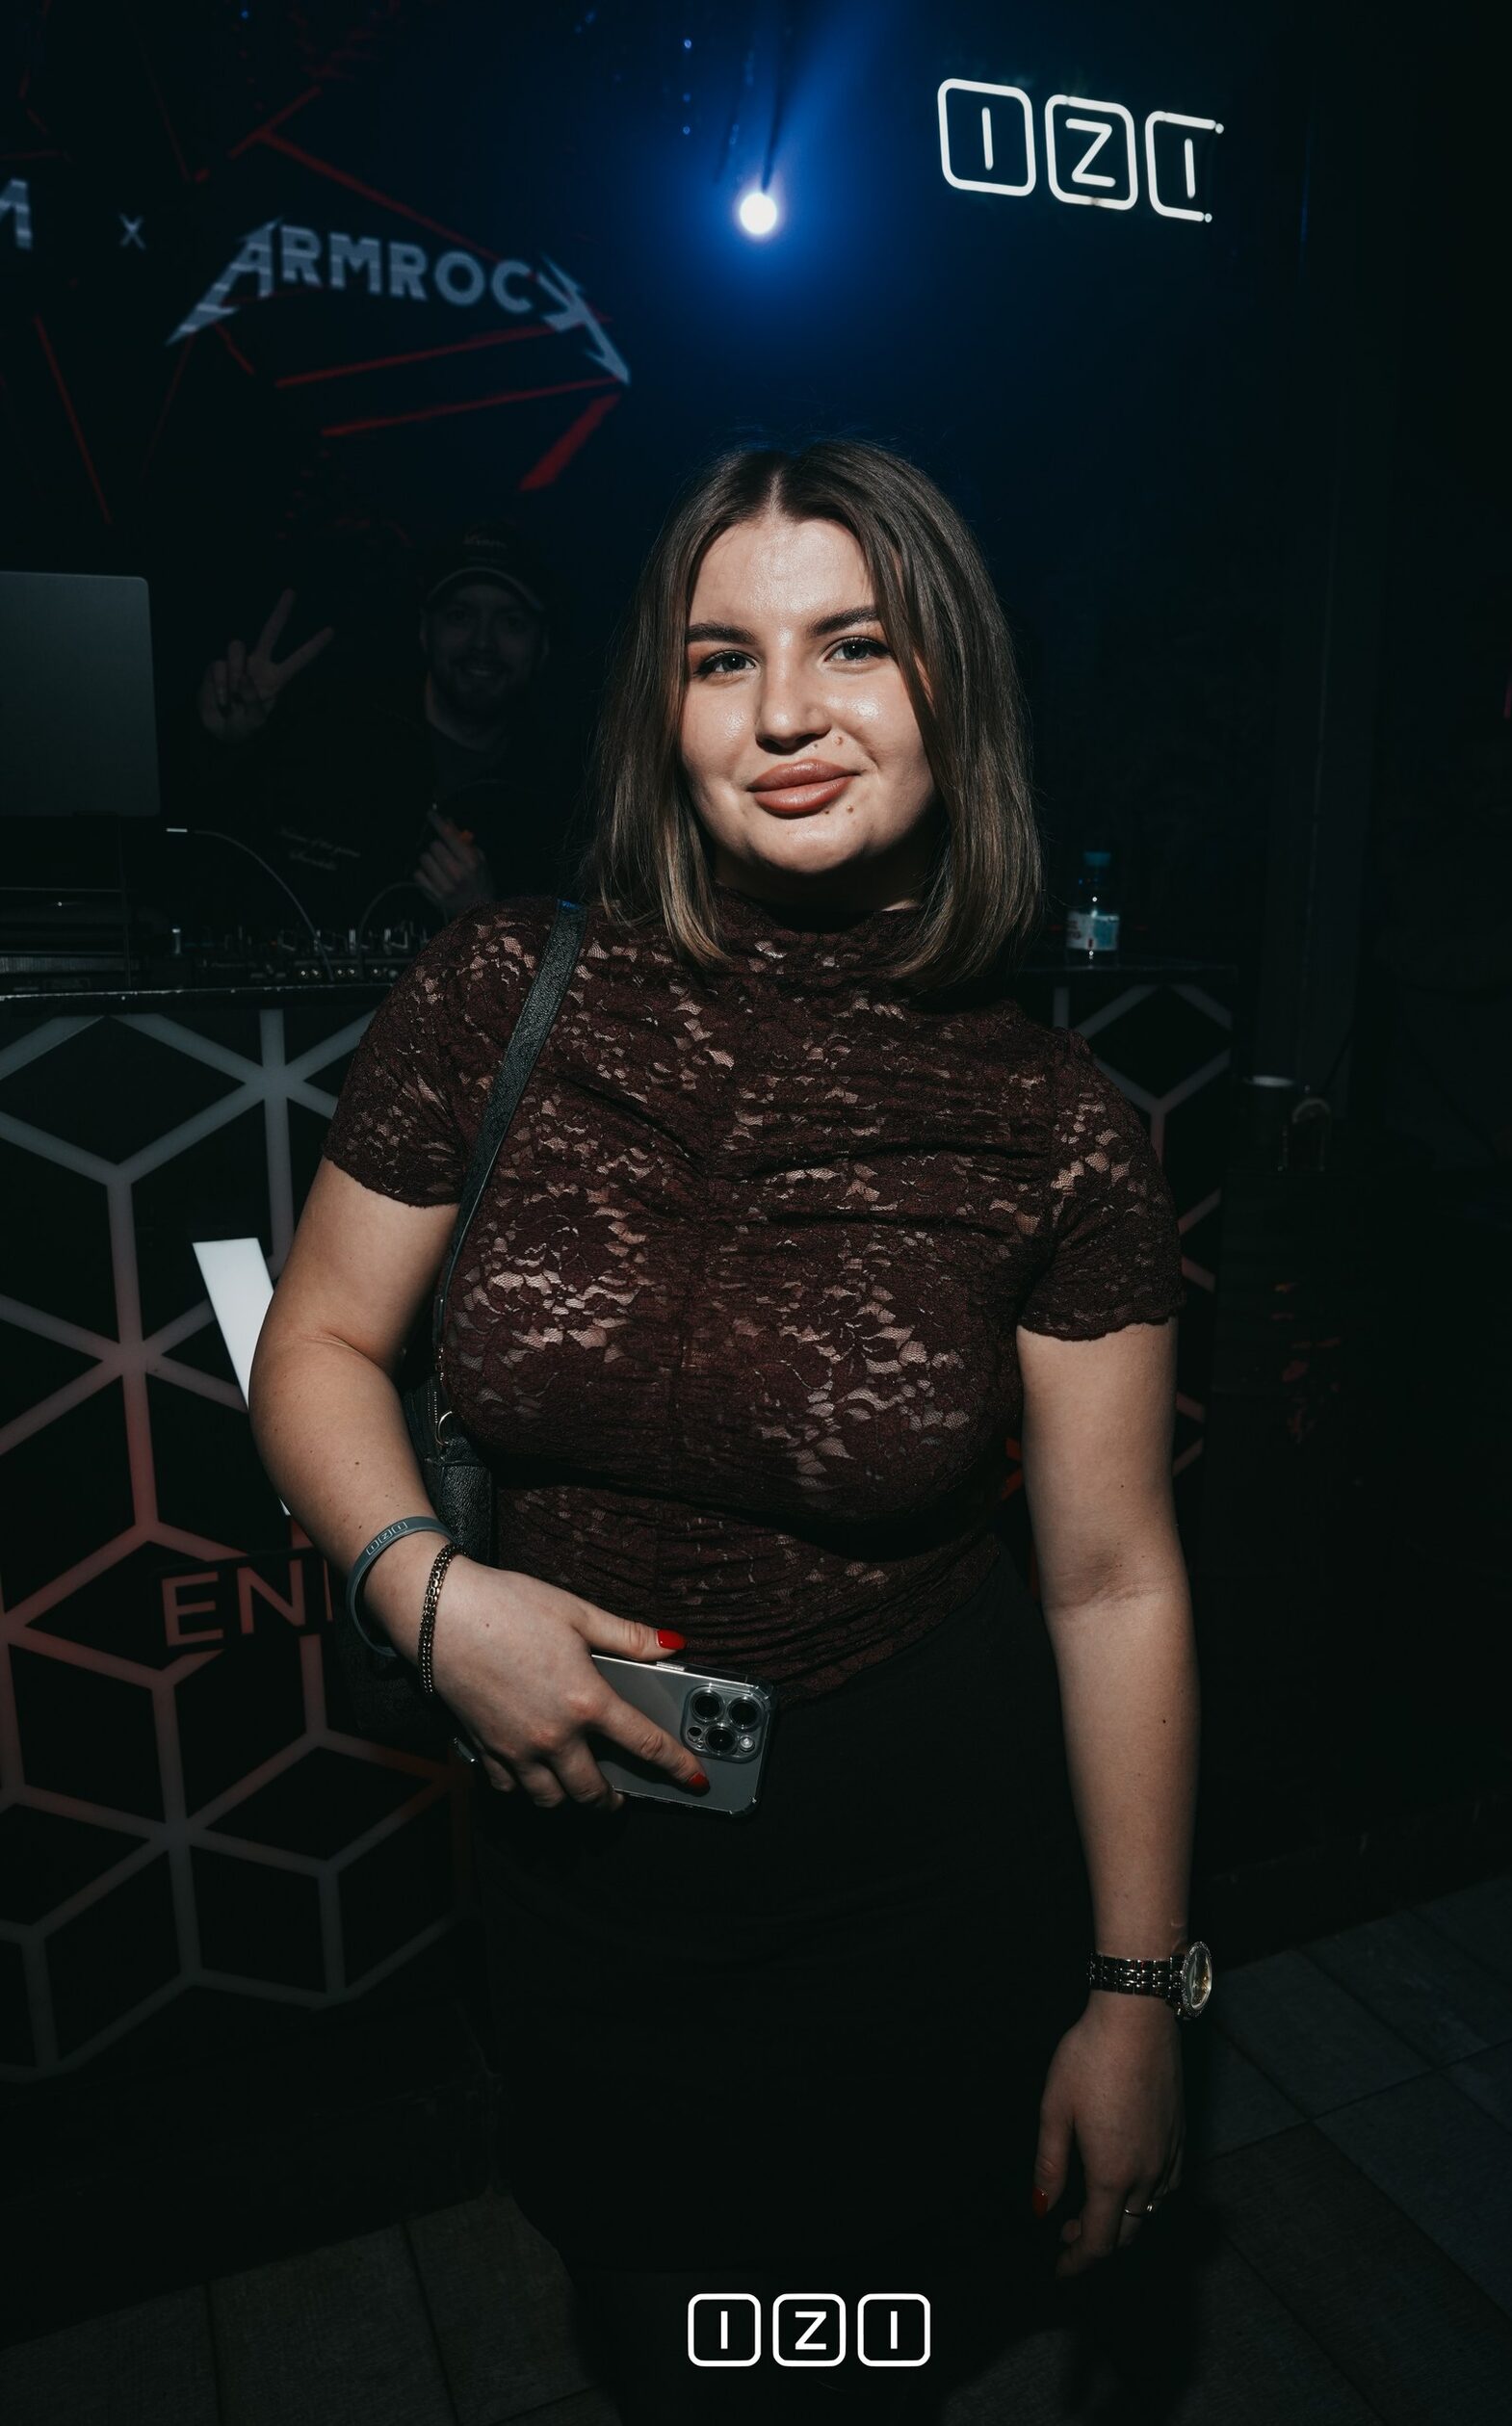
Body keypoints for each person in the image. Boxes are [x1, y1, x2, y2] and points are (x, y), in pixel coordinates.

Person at [248, 439, 1203, 2423]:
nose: (783, 713)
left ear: (955, 683)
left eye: (855, 643)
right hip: (579, 1858)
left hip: (914, 1868)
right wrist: (431, 1595)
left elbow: (1114, 1581)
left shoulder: (1061, 1129)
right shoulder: (495, 989)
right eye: (720, 656)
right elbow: (318, 1339)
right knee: (648, 2305)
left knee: (856, 2341)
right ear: (660, 708)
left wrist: (1136, 1992)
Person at [179, 519, 587, 937]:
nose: (483, 642)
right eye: (460, 615)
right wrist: (228, 747)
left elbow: (571, 966)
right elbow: (203, 863)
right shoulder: (331, 735)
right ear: (425, 630)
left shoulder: (564, 806)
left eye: (511, 622)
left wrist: (485, 919)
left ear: (543, 645)